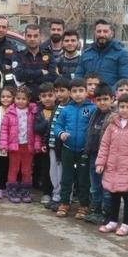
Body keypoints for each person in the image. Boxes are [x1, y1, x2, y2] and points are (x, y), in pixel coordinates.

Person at [96, 93, 128, 236]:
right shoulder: (112, 125)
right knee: (113, 195)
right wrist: (101, 162)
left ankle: (126, 224)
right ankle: (113, 221)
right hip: (112, 168)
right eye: (122, 106)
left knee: (127, 197)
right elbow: (105, 145)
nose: (125, 109)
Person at [53, 79, 94, 218]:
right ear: (70, 93)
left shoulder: (92, 109)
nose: (78, 94)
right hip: (68, 148)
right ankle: (64, 203)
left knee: (83, 179)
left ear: (86, 92)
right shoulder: (66, 110)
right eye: (74, 91)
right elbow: (57, 126)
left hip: (84, 150)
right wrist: (61, 133)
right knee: (66, 177)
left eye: (81, 91)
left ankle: (84, 205)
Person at [0, 86, 42, 203]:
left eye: (23, 99)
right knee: (14, 169)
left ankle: (25, 191)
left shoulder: (33, 112)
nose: (20, 101)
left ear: (28, 100)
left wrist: (37, 145)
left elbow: (37, 130)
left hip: (28, 146)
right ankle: (12, 191)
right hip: (14, 147)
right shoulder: (10, 112)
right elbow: (4, 130)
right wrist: (3, 146)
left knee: (26, 170)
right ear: (14, 99)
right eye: (18, 98)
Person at [83, 83, 114, 225]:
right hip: (93, 154)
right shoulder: (94, 113)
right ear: (95, 100)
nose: (102, 102)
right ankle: (96, 210)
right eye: (99, 99)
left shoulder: (114, 117)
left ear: (112, 99)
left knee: (106, 186)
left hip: (107, 158)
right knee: (94, 185)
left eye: (105, 99)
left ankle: (106, 213)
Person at [74, 19, 128, 88]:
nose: (102, 34)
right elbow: (78, 78)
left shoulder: (122, 54)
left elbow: (125, 81)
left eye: (105, 31)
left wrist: (107, 93)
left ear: (112, 33)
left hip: (110, 97)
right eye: (99, 31)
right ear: (94, 33)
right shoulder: (86, 54)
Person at [45, 77, 71, 212]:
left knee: (63, 173)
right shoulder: (56, 107)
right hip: (52, 146)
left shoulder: (71, 107)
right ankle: (55, 196)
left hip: (63, 147)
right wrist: (46, 142)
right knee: (53, 172)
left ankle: (63, 198)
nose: (59, 94)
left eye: (62, 90)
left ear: (69, 91)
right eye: (57, 91)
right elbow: (51, 127)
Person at [13, 24, 58, 100]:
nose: (32, 39)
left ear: (40, 37)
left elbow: (52, 76)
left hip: (45, 100)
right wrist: (40, 72)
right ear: (25, 37)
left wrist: (29, 80)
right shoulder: (18, 55)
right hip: (25, 101)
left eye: (35, 36)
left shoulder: (49, 55)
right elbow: (19, 75)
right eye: (29, 36)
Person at [33, 83, 57, 205]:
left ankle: (57, 193)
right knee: (46, 170)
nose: (47, 98)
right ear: (40, 97)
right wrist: (47, 122)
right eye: (44, 96)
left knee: (57, 170)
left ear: (55, 95)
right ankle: (46, 193)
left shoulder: (59, 108)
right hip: (43, 146)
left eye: (50, 95)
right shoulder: (38, 111)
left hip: (57, 145)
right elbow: (36, 128)